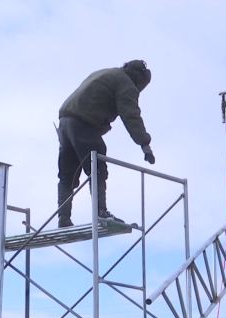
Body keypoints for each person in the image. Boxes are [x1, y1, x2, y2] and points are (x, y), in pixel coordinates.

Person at [56, 59, 155, 227]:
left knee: (67, 175)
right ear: (139, 79)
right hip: (83, 123)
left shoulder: (107, 73)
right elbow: (131, 115)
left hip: (65, 122)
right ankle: (100, 212)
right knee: (97, 167)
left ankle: (63, 218)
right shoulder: (126, 83)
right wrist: (144, 144)